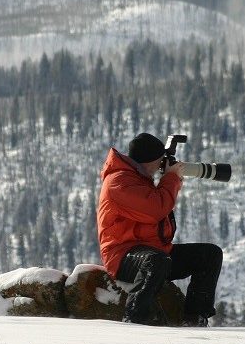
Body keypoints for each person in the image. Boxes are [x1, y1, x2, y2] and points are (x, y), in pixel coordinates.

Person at [96, 132, 223, 326]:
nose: (161, 166)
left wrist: (170, 178)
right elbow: (156, 209)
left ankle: (194, 319)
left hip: (154, 251)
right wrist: (171, 178)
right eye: (160, 161)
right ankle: (134, 318)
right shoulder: (118, 182)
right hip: (122, 256)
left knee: (210, 254)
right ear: (149, 161)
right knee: (156, 261)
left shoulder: (138, 177)